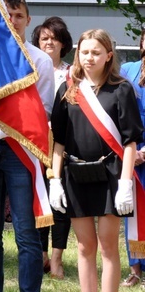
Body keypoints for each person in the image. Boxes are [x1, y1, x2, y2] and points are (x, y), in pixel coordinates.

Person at [0, 0, 55, 292]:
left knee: (25, 232)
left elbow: (41, 113)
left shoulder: (39, 60)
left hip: (20, 152)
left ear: (28, 21)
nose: (12, 20)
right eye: (7, 15)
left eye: (18, 15)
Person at [49, 29, 143, 292]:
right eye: (84, 51)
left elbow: (129, 141)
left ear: (108, 56)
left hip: (112, 174)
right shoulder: (66, 89)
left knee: (107, 245)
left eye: (96, 52)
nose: (89, 58)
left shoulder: (122, 89)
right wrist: (55, 180)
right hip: (75, 174)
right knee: (84, 245)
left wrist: (126, 183)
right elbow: (59, 140)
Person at [30, 16, 74, 278]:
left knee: (60, 202)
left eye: (53, 38)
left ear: (63, 43)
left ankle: (57, 257)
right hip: (34, 143)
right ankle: (41, 255)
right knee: (37, 198)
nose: (48, 42)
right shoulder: (32, 68)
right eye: (44, 37)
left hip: (63, 145)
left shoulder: (72, 74)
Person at [119, 29, 145, 288]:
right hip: (131, 151)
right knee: (133, 214)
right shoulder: (128, 70)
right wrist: (132, 150)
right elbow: (120, 113)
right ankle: (135, 269)